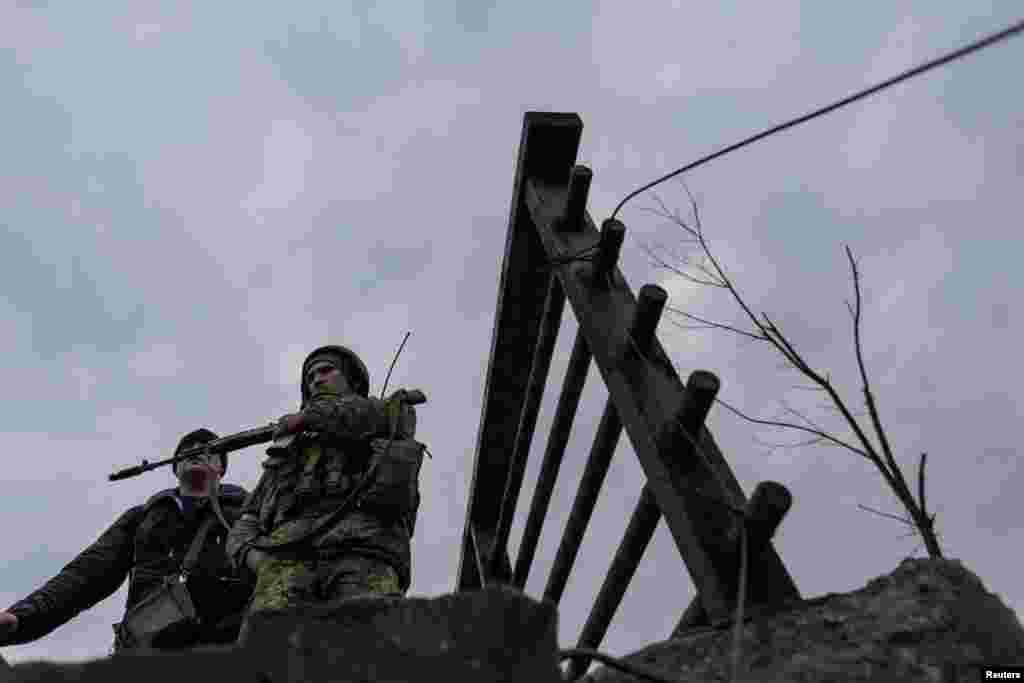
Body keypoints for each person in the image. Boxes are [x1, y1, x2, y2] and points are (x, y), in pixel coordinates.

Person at [226, 345, 425, 629]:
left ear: (352, 380)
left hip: (361, 553)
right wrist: (257, 559)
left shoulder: (384, 414)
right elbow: (247, 520)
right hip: (285, 561)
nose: (317, 380)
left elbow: (369, 416)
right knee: (267, 649)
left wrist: (306, 417)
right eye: (310, 377)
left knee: (368, 645)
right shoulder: (288, 449)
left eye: (326, 371)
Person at [0, 429, 253, 653]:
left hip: (229, 650)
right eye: (187, 448)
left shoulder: (251, 513)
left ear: (221, 467)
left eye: (208, 448)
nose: (196, 449)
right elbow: (84, 576)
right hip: (149, 654)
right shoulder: (143, 517)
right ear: (175, 467)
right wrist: (21, 618)